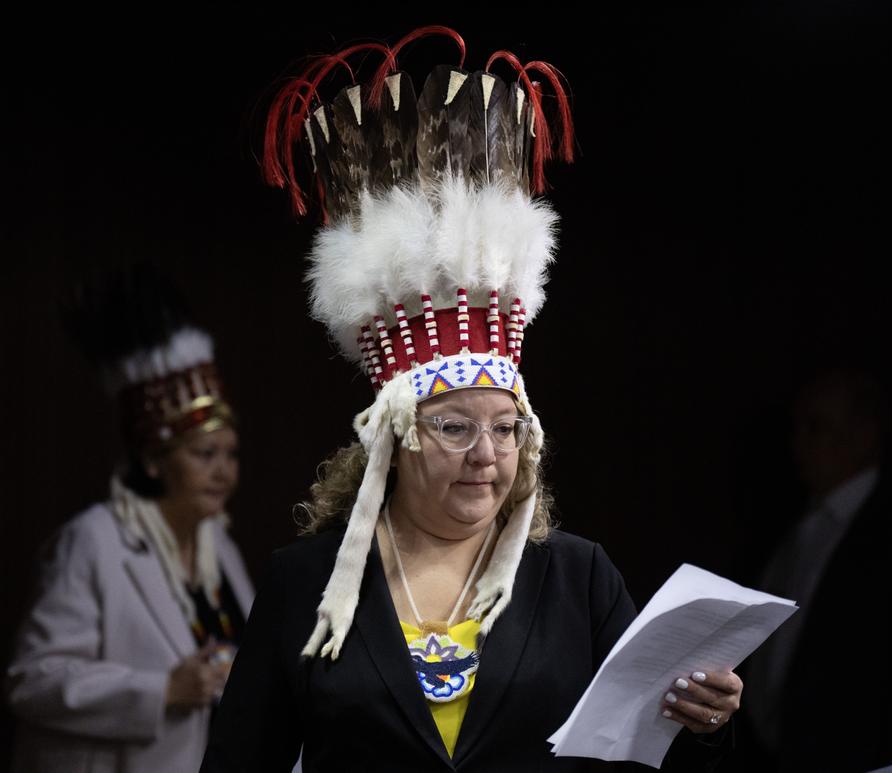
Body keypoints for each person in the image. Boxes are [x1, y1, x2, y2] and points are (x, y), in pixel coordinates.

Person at [201, 28, 741, 772]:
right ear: (393, 436)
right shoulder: (304, 582)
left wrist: (705, 719)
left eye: (507, 428)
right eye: (454, 427)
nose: (487, 455)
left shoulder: (579, 579)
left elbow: (655, 755)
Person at [6, 265, 255, 773]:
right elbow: (33, 680)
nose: (223, 472)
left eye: (230, 455)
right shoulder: (92, 542)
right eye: (205, 454)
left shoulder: (218, 549)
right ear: (153, 459)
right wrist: (160, 690)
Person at [738, 367, 892, 771]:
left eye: (817, 427)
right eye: (797, 427)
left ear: (864, 435)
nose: (798, 443)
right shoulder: (785, 527)